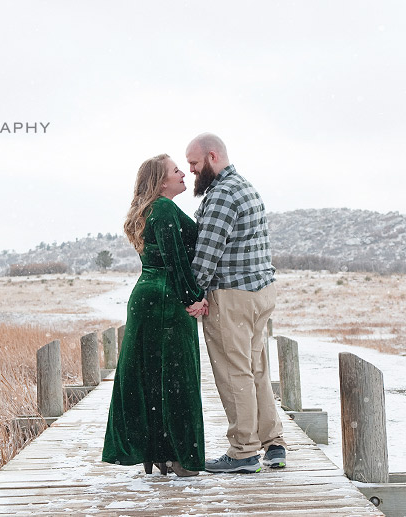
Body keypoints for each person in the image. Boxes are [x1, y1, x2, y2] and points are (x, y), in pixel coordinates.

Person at [185, 133, 287, 473]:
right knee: (257, 368)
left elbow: (206, 256)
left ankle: (243, 452)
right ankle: (273, 443)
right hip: (261, 291)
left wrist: (195, 295)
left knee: (234, 373)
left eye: (194, 164)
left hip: (231, 296)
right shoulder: (245, 186)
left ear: (212, 157)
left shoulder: (222, 196)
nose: (191, 171)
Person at [102, 153, 207, 477]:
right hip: (165, 298)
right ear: (161, 181)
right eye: (176, 171)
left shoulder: (153, 209)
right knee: (178, 378)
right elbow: (176, 260)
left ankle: (158, 452)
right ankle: (178, 457)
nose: (182, 174)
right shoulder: (162, 209)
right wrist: (195, 298)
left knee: (150, 376)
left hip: (149, 295)